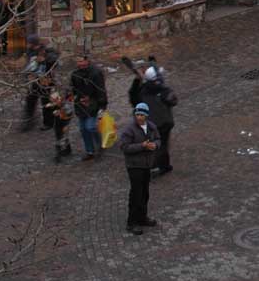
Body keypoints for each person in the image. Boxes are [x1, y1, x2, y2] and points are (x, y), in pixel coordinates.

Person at [118, 102, 160, 235]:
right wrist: (142, 146)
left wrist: (155, 145)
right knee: (136, 194)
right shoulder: (129, 130)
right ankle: (132, 222)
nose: (139, 117)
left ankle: (142, 217)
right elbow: (125, 148)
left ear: (146, 115)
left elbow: (158, 139)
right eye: (137, 114)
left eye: (142, 114)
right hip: (134, 165)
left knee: (145, 193)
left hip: (146, 165)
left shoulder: (152, 127)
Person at [129, 67, 179, 174]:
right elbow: (173, 101)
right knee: (162, 145)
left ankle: (158, 165)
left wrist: (137, 81)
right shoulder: (164, 90)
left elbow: (133, 98)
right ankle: (161, 166)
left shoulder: (142, 90)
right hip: (163, 123)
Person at [70, 53, 108, 161]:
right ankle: (89, 151)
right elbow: (73, 89)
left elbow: (101, 90)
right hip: (80, 104)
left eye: (81, 61)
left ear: (87, 61)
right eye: (78, 61)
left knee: (90, 126)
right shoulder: (75, 74)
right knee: (83, 129)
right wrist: (70, 96)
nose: (80, 63)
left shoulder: (95, 73)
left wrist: (102, 105)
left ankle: (100, 144)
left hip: (94, 103)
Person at [46, 87, 75, 162]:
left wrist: (60, 111)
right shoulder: (55, 98)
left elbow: (69, 113)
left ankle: (59, 154)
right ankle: (66, 149)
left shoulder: (67, 103)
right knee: (59, 134)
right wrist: (53, 107)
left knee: (63, 135)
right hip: (58, 120)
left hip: (65, 120)